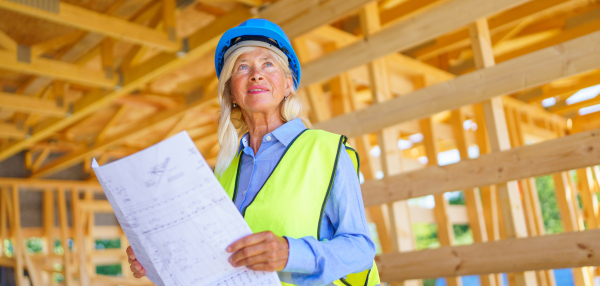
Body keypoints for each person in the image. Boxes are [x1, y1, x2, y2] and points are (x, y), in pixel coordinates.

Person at [126, 19, 380, 286]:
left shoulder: (327, 150)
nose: (256, 74)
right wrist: (157, 260)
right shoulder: (221, 173)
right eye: (242, 67)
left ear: (288, 84)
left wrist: (292, 254)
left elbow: (360, 249)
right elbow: (209, 255)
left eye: (268, 64)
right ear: (232, 92)